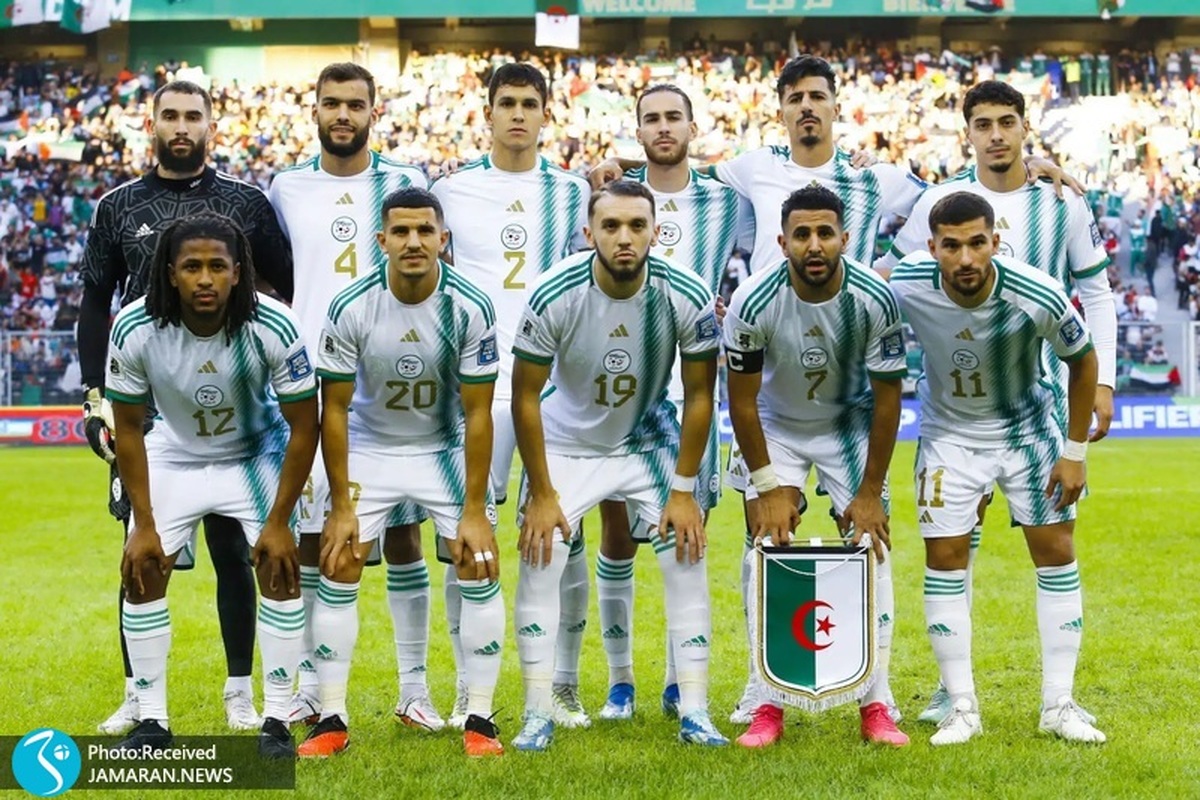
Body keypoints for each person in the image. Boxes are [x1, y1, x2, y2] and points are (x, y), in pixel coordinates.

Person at [877, 80, 1118, 724]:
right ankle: (952, 692)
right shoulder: (939, 202)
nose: (996, 135)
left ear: (1024, 127)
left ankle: (1058, 701)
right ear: (968, 134)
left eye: (1006, 122)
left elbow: (1095, 295)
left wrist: (1103, 381)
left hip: (1037, 399)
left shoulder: (1061, 201)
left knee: (1054, 544)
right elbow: (889, 284)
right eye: (982, 125)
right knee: (955, 544)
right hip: (953, 409)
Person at [80, 79, 294, 736]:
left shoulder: (247, 203)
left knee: (235, 549)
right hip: (147, 404)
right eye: (169, 115)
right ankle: (138, 696)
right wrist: (94, 396)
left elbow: (283, 287)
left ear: (211, 126)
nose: (181, 126)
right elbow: (94, 300)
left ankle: (240, 690)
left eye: (192, 116)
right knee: (141, 547)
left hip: (237, 406)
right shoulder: (117, 206)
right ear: (151, 125)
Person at [509, 180, 726, 750]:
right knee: (541, 559)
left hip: (648, 443)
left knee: (687, 557)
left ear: (657, 231)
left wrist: (684, 490)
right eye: (610, 226)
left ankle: (695, 710)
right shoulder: (553, 292)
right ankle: (537, 711)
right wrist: (541, 493)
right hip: (568, 445)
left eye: (636, 225)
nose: (624, 237)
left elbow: (700, 395)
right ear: (589, 233)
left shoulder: (686, 292)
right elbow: (524, 396)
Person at [105, 212, 318, 758]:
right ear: (169, 272)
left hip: (255, 454)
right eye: (192, 267)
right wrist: (142, 524)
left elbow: (304, 424)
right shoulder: (134, 326)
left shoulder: (273, 323)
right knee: (143, 571)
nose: (205, 279)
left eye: (218, 266)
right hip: (175, 454)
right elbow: (128, 428)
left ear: (238, 271)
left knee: (278, 568)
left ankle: (276, 719)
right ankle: (152, 721)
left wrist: (279, 521)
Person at [302, 188, 504, 758]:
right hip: (372, 447)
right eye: (401, 232)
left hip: (443, 446)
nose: (413, 242)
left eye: (424, 231)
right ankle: (331, 718)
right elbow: (333, 409)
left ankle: (480, 719)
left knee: (479, 562)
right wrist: (341, 505)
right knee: (339, 561)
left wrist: (474, 509)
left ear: (443, 239)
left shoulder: (471, 306)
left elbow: (478, 413)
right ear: (381, 241)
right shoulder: (351, 305)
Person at [267, 63, 434, 731]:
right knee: (315, 536)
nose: (343, 114)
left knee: (403, 536)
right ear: (314, 110)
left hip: (392, 386)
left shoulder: (404, 182)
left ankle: (414, 689)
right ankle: (312, 687)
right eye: (331, 103)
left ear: (373, 112)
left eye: (354, 104)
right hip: (313, 386)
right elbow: (279, 278)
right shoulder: (286, 187)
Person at [430, 62, 593, 729]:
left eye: (530, 103)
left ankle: (563, 684)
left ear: (546, 114)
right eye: (507, 103)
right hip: (477, 387)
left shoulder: (573, 189)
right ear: (488, 113)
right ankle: (468, 686)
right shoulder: (449, 189)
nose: (518, 114)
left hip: (556, 389)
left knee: (566, 535)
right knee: (465, 533)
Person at [591, 83, 754, 722]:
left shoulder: (727, 199)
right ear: (637, 131)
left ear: (692, 126)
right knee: (616, 535)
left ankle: (674, 680)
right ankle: (620, 682)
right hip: (623, 387)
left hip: (692, 388)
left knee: (685, 533)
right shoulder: (614, 198)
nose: (663, 128)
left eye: (673, 118)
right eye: (651, 119)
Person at [723, 185, 907, 748]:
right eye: (801, 234)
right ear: (782, 243)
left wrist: (870, 492)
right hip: (775, 425)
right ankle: (766, 699)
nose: (814, 244)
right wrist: (766, 486)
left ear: (845, 238)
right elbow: (741, 401)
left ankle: (876, 701)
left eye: (825, 232)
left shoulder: (875, 298)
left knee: (872, 547)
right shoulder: (752, 300)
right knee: (765, 545)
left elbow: (889, 400)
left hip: (848, 423)